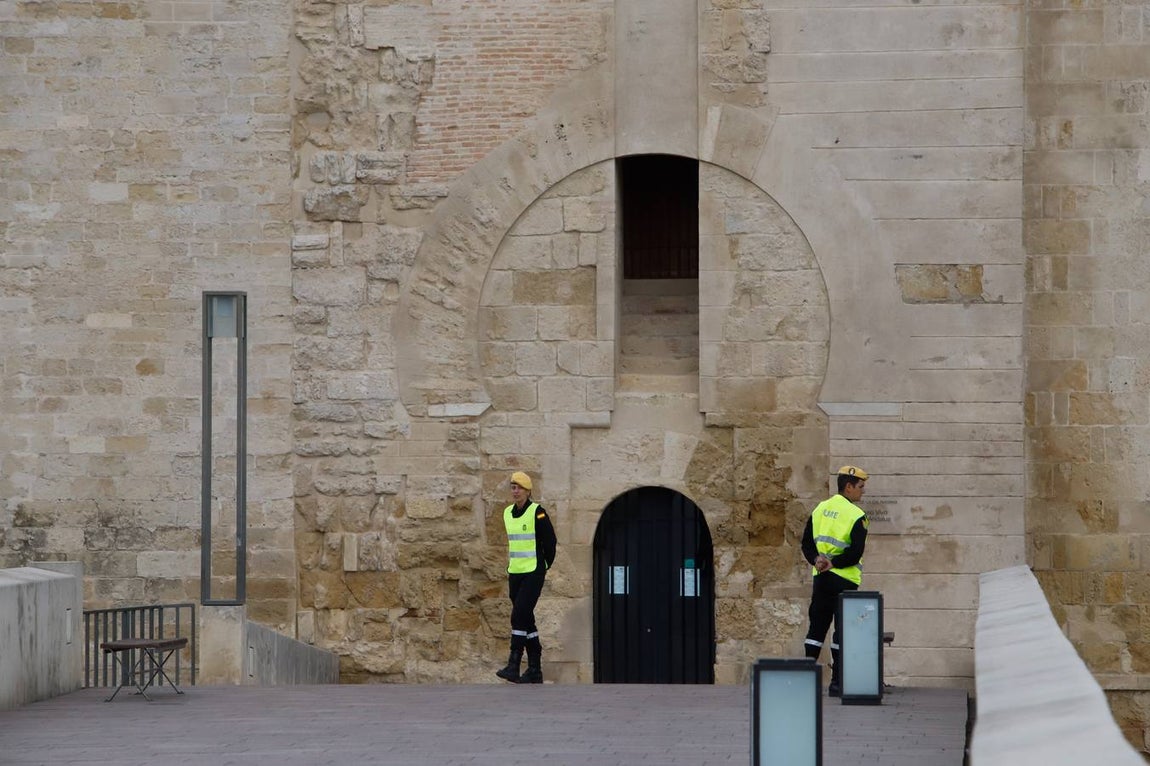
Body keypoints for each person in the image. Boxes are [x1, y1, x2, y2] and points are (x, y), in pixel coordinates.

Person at [801, 465, 869, 697]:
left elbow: (806, 544)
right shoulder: (857, 516)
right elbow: (855, 553)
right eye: (860, 487)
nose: (863, 492)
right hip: (845, 581)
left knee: (816, 629)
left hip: (821, 580)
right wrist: (835, 563)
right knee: (841, 632)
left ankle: (807, 679)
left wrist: (817, 560)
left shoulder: (820, 508)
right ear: (848, 487)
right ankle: (837, 682)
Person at [495, 471, 557, 684]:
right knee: (526, 618)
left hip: (533, 571)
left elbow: (550, 541)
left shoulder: (537, 512)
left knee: (518, 614)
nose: (515, 491)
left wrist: (544, 566)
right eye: (513, 487)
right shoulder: (507, 514)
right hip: (516, 572)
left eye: (519, 487)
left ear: (528, 491)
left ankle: (514, 663)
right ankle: (534, 669)